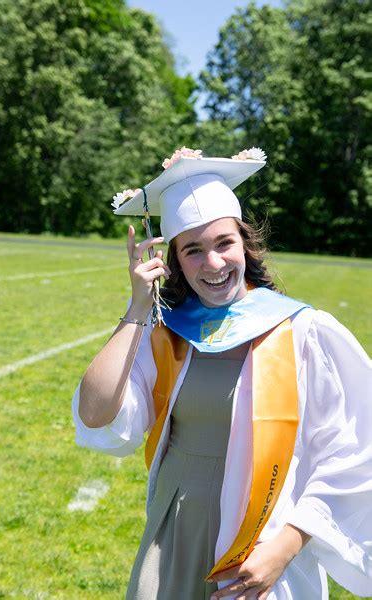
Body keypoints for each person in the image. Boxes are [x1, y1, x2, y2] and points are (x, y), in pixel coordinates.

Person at [72, 147, 372, 600]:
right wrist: (136, 304)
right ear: (172, 260)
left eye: (223, 244)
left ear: (245, 244)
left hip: (263, 542)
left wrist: (286, 547)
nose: (213, 264)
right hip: (175, 532)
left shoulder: (302, 331)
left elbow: (355, 449)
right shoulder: (166, 334)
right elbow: (96, 414)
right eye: (193, 250)